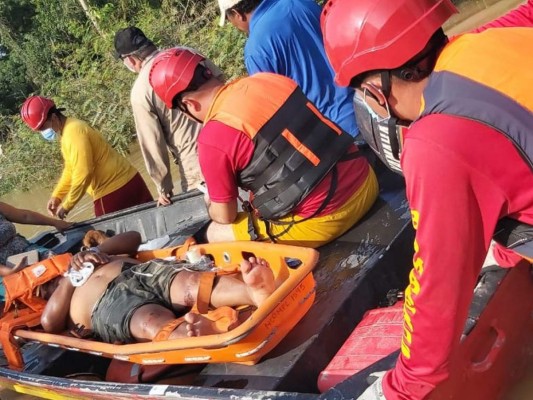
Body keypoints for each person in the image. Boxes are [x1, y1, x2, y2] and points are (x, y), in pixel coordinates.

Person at [321, 0, 533, 398]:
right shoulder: (488, 40)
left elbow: (437, 285)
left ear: (374, 89)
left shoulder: (436, 142)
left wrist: (401, 389)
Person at [148, 48, 378, 248]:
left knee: (215, 232)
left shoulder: (212, 137)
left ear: (188, 104)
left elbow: (226, 215)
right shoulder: (267, 79)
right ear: (208, 72)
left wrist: (211, 206)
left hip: (329, 220)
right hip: (367, 182)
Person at [40, 231, 277, 343]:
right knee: (148, 321)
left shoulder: (91, 256)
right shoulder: (65, 293)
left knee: (191, 283)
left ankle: (253, 292)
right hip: (108, 304)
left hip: (139, 272)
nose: (51, 280)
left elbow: (133, 236)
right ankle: (192, 335)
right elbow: (49, 323)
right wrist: (69, 278)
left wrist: (97, 251)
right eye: (46, 285)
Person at [217, 0, 362, 142]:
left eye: (230, 20)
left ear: (237, 13)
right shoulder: (300, 3)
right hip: (367, 101)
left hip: (337, 133)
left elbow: (275, 110)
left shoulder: (255, 49)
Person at [113, 27, 225, 205]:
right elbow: (221, 82)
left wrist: (164, 188)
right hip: (231, 137)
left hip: (198, 165)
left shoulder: (141, 91)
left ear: (131, 60)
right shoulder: (186, 52)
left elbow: (152, 144)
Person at [20, 96, 153, 219]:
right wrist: (58, 196)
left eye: (43, 127)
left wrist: (67, 206)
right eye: (40, 130)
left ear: (54, 117)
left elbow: (83, 173)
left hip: (112, 192)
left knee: (108, 241)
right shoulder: (70, 128)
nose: (43, 131)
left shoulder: (73, 133)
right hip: (132, 180)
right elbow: (70, 169)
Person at [0, 201, 72, 299]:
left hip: (27, 251)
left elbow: (24, 216)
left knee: (61, 265)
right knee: (35, 288)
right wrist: (10, 272)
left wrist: (54, 222)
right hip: (5, 269)